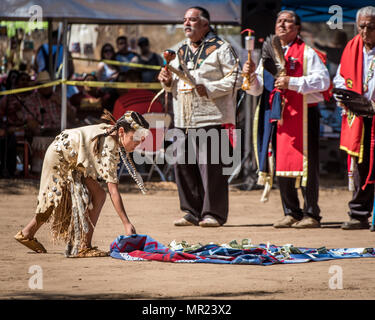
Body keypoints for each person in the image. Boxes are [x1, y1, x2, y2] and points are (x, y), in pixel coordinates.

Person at [14, 110, 150, 257]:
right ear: (122, 131)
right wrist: (126, 223)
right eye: (135, 138)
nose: (138, 143)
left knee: (98, 195)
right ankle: (80, 245)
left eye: (141, 139)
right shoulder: (109, 145)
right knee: (53, 199)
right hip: (60, 155)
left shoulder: (113, 133)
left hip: (74, 158)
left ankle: (31, 234)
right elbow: (114, 191)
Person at [243, 10, 330, 228]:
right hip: (277, 115)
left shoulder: (308, 53)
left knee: (306, 164)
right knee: (280, 162)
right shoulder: (269, 55)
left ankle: (311, 213)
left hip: (303, 115)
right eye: (278, 21)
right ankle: (291, 211)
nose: (281, 24)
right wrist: (251, 76)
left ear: (297, 28)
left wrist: (291, 82)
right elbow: (257, 91)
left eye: (287, 21)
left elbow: (324, 82)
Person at [158, 6, 241, 227]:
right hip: (183, 116)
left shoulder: (222, 49)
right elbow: (173, 83)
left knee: (211, 166)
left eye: (192, 20)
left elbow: (237, 79)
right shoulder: (179, 51)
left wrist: (210, 87)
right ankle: (191, 211)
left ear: (205, 24)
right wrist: (166, 80)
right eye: (184, 19)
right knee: (182, 164)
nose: (186, 23)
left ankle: (213, 213)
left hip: (210, 116)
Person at [333, 6, 375, 230]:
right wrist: (345, 96)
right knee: (362, 165)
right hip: (360, 117)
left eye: (371, 27)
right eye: (362, 27)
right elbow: (340, 78)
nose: (365, 31)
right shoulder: (352, 48)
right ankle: (359, 214)